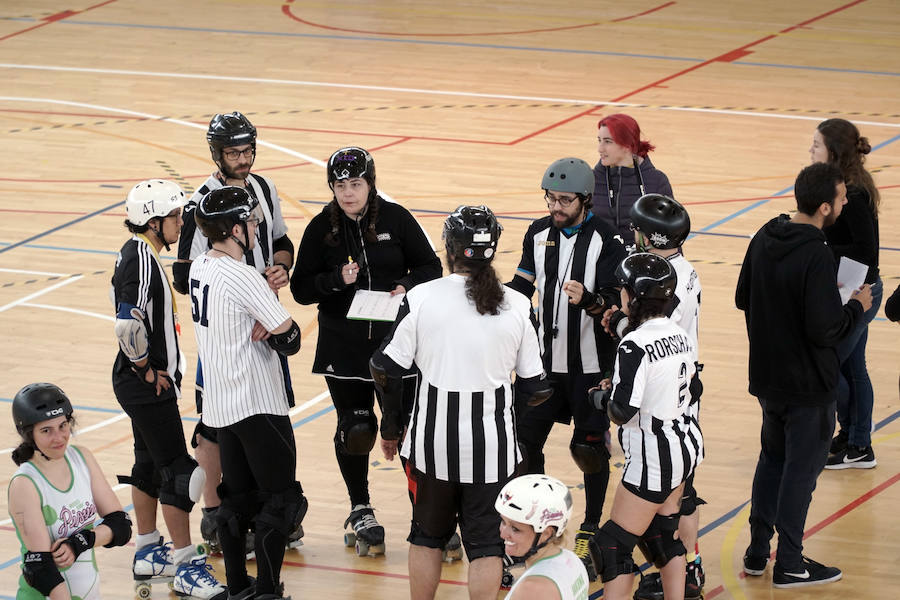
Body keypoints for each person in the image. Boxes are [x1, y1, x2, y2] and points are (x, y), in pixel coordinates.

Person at [370, 205, 551, 600]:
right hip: (493, 449)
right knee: (486, 543)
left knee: (427, 536)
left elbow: (384, 368)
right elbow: (536, 387)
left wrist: (391, 426)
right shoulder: (519, 305)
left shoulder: (422, 297)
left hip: (430, 445)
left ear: (449, 247)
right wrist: (513, 434)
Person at [290, 146, 441, 555]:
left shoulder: (396, 217)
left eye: (356, 184)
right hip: (344, 344)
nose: (348, 193)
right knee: (357, 431)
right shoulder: (322, 228)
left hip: (397, 345)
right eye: (340, 186)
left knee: (408, 431)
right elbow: (301, 288)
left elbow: (431, 267)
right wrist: (335, 280)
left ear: (370, 183)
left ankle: (425, 514)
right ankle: (360, 508)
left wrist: (406, 287)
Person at [735, 162, 873, 588]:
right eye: (842, 197)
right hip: (809, 385)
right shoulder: (816, 252)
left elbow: (743, 297)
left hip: (768, 378)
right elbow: (825, 330)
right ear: (826, 207)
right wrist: (856, 307)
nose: (847, 202)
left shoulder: (764, 234)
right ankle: (791, 562)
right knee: (801, 473)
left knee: (771, 462)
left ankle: (758, 553)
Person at [173, 111, 297, 552]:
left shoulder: (263, 189)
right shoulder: (203, 203)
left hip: (266, 322)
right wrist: (239, 292)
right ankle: (213, 512)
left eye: (247, 151)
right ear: (217, 154)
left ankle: (264, 504)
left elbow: (282, 241)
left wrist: (280, 267)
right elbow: (183, 271)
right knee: (213, 425)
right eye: (233, 153)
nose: (242, 161)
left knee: (267, 414)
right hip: (228, 331)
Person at [506, 157, 627, 580]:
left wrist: (590, 300)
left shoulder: (609, 240)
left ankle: (591, 525)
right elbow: (521, 287)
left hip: (592, 365)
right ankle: (536, 521)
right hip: (544, 363)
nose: (555, 207)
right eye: (550, 199)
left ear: (584, 200)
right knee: (524, 445)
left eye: (564, 200)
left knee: (589, 451)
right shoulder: (538, 233)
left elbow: (617, 306)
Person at [111, 179, 225, 598]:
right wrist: (145, 369)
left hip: (136, 383)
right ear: (154, 222)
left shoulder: (137, 253)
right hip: (144, 385)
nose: (181, 222)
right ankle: (184, 564)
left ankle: (146, 550)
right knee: (181, 473)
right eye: (175, 216)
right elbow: (127, 322)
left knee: (148, 464)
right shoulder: (142, 258)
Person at [190, 186, 305, 600]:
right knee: (281, 502)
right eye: (253, 222)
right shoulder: (242, 276)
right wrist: (272, 327)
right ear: (236, 228)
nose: (257, 227)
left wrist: (264, 322)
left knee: (234, 501)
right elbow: (290, 337)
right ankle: (270, 592)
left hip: (221, 408)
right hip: (258, 404)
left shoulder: (200, 267)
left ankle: (238, 585)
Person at [600, 194, 705, 600]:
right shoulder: (678, 318)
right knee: (663, 535)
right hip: (686, 435)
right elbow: (692, 383)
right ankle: (683, 586)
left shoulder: (635, 344)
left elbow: (622, 411)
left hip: (653, 449)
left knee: (612, 546)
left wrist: (602, 399)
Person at [8, 383, 132, 600]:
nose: (59, 437)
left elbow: (120, 525)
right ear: (29, 435)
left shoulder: (81, 458)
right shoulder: (25, 484)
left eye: (63, 426)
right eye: (46, 430)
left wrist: (80, 542)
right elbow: (40, 569)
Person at [810, 119, 883, 470]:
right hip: (852, 288)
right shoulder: (840, 185)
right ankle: (856, 441)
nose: (810, 151)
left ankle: (857, 440)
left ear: (833, 152)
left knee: (828, 365)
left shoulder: (852, 193)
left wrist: (821, 249)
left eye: (816, 145)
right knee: (854, 368)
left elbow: (866, 250)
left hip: (860, 291)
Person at [496, 474, 589, 600]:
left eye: (515, 529)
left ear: (546, 533)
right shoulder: (571, 559)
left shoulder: (532, 589)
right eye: (503, 522)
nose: (503, 534)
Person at [593, 114, 673, 250]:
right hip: (600, 265)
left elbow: (670, 234)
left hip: (641, 265)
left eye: (607, 141)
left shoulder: (657, 181)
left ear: (627, 145)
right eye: (599, 140)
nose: (600, 149)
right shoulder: (591, 179)